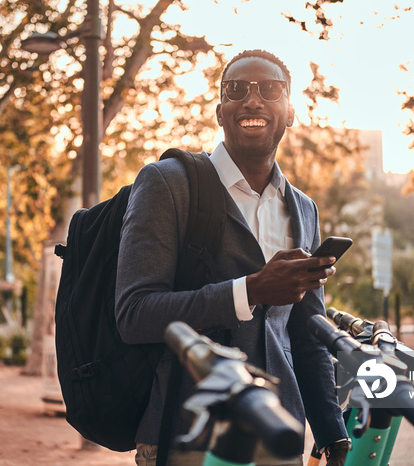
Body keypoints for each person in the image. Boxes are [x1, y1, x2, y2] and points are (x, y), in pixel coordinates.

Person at [116, 49, 349, 466]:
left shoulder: (304, 209)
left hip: (279, 439)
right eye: (237, 89)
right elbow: (134, 314)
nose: (253, 100)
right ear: (220, 112)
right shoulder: (167, 185)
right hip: (187, 437)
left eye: (271, 89)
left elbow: (307, 333)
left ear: (290, 111)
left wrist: (331, 430)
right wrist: (251, 290)